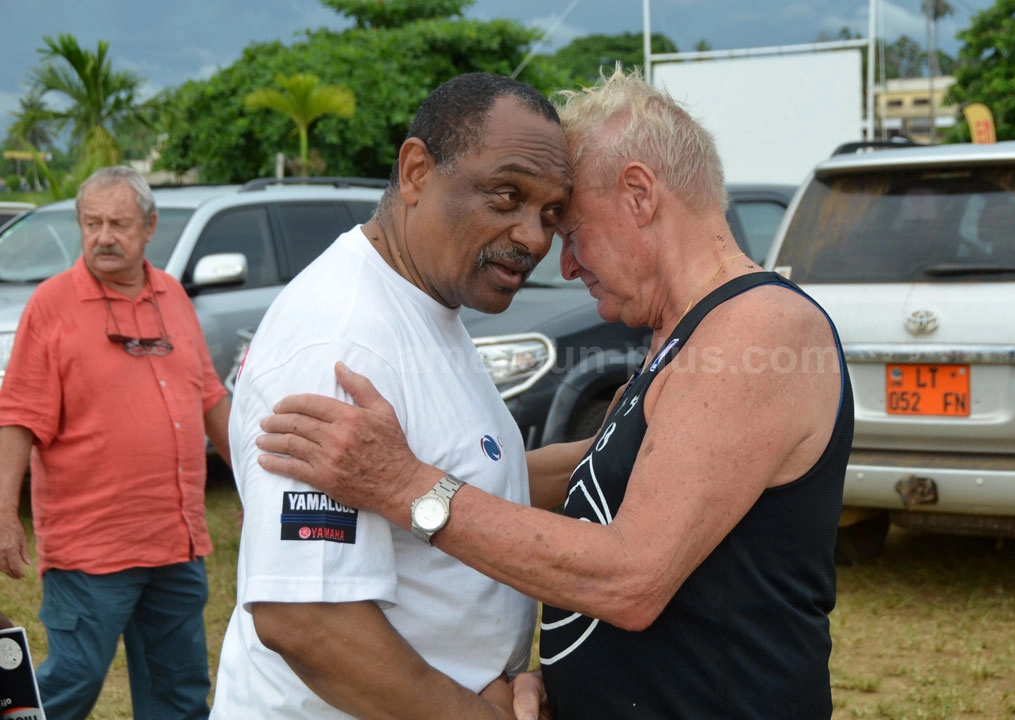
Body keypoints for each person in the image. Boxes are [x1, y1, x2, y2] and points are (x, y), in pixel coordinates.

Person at [257, 66, 854, 720]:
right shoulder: (686, 339)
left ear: (638, 194)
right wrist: (561, 677)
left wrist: (408, 487)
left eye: (568, 229)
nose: (558, 259)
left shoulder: (754, 329)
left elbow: (632, 579)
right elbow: (604, 503)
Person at [209, 73, 571, 719]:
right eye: (506, 195)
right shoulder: (343, 344)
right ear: (416, 171)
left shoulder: (428, 304)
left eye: (550, 213)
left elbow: (477, 483)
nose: (535, 237)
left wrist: (621, 445)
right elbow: (307, 619)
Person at [0, 166, 231, 720]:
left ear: (149, 227)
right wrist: (5, 512)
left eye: (119, 223)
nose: (104, 236)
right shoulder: (51, 306)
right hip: (91, 549)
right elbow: (18, 418)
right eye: (92, 222)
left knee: (179, 691)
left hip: (175, 543)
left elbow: (210, 398)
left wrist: (253, 481)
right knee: (72, 682)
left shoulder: (172, 295)